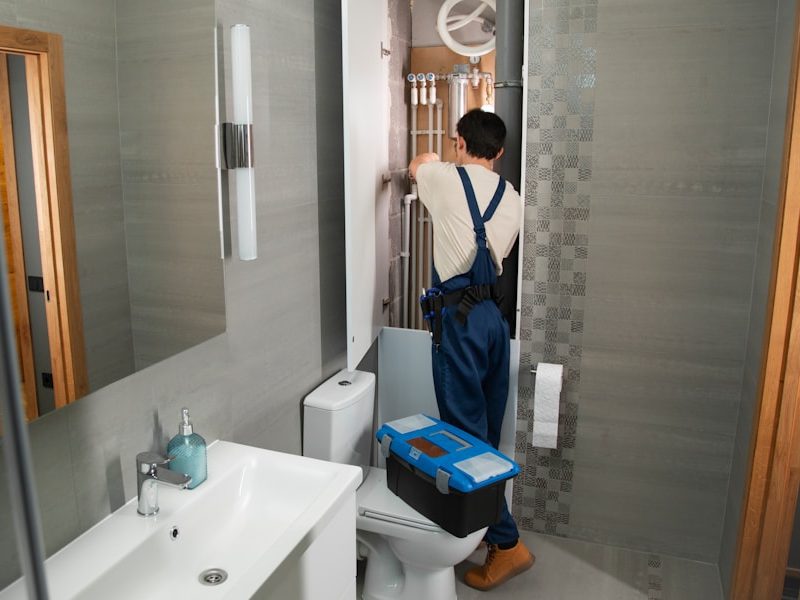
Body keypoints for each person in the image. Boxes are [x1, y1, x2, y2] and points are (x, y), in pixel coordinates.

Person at [409, 108, 533, 591]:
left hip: (458, 321)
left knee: (464, 436)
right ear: (499, 153)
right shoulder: (515, 199)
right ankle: (487, 529)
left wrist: (433, 157)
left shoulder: (442, 178)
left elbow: (417, 165)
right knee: (485, 434)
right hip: (492, 323)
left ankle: (505, 542)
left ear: (459, 142)